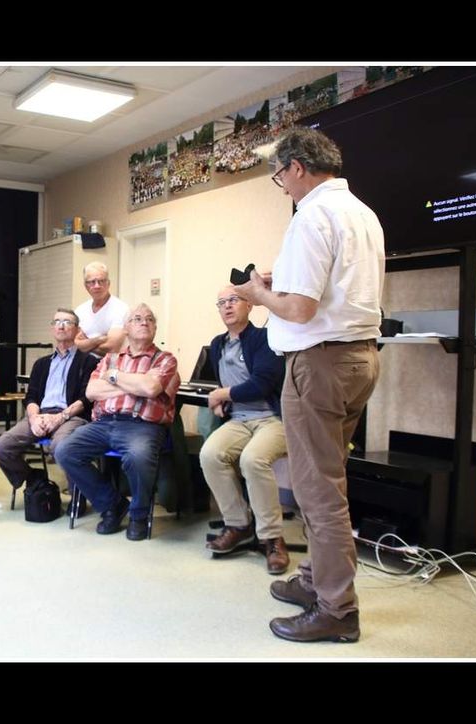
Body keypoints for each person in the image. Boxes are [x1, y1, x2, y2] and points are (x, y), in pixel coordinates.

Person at [236, 126, 383, 643]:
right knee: (328, 479)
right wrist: (280, 285)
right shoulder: (363, 214)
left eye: (280, 176)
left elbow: (299, 309)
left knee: (318, 492)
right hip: (359, 359)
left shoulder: (311, 216)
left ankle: (336, 609)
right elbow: (329, 290)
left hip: (319, 364)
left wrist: (256, 293)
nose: (282, 186)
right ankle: (315, 580)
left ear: (297, 167)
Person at [54, 304, 180, 541]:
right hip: (103, 423)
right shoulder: (110, 358)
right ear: (126, 328)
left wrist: (114, 378)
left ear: (155, 327)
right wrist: (136, 386)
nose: (144, 322)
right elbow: (91, 391)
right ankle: (112, 504)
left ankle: (139, 515)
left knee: (138, 457)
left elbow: (151, 388)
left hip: (143, 426)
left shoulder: (164, 359)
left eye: (149, 319)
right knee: (65, 451)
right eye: (137, 318)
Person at [200, 286, 289, 574]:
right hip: (238, 420)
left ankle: (272, 538)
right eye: (221, 302)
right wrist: (219, 402)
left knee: (253, 459)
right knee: (210, 454)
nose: (227, 306)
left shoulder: (264, 339)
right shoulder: (217, 344)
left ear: (249, 305)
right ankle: (238, 524)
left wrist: (220, 396)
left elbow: (261, 384)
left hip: (271, 419)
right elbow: (224, 383)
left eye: (233, 300)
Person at [0, 308, 98, 507]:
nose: (61, 325)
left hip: (72, 416)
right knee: (0, 447)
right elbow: (31, 396)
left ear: (77, 330)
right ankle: (34, 478)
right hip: (40, 415)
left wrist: (59, 418)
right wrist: (33, 418)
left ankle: (79, 496)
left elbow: (87, 398)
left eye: (67, 322)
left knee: (60, 448)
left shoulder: (88, 361)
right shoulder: (41, 364)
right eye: (57, 322)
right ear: (52, 329)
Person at [73, 261, 130, 355]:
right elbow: (73, 344)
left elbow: (111, 348)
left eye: (101, 281)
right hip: (83, 366)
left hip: (108, 366)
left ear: (108, 283)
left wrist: (85, 343)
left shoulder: (121, 309)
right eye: (92, 282)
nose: (97, 286)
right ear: (85, 285)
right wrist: (98, 340)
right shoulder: (80, 311)